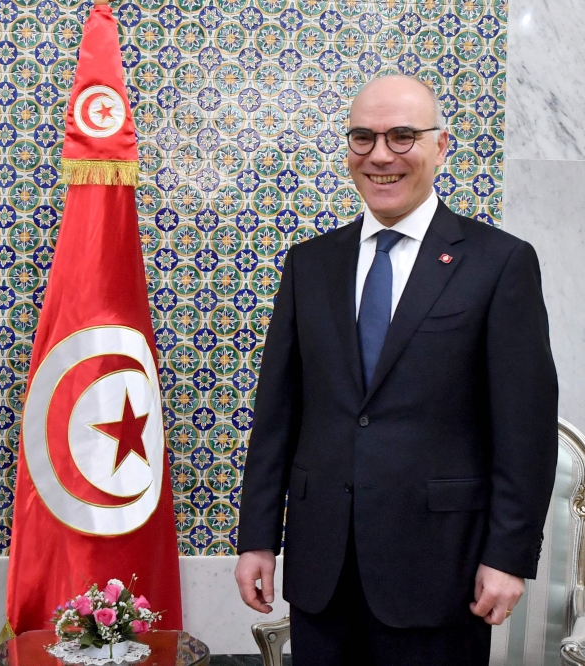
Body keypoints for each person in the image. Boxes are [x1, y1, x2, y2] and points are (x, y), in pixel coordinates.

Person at [234, 74, 558, 665]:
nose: (380, 155)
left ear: (442, 146)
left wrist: (509, 556)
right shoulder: (310, 263)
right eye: (363, 137)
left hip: (440, 569)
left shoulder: (499, 262)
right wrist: (257, 537)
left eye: (403, 136)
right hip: (321, 568)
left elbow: (525, 431)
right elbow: (278, 412)